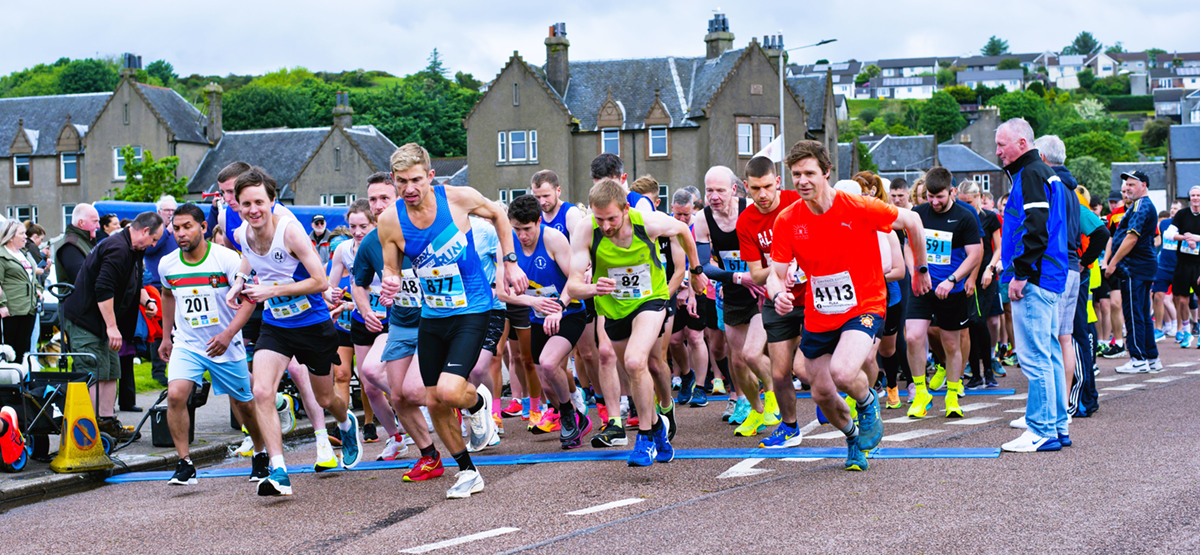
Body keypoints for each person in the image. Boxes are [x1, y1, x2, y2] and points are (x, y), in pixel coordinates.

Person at [768, 140, 927, 471]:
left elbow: (913, 222)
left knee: (842, 372)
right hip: (821, 311)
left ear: (826, 172)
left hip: (865, 304)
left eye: (809, 173)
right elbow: (775, 274)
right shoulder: (787, 220)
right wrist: (776, 294)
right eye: (796, 174)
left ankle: (868, 403)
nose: (802, 181)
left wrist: (920, 271)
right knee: (821, 392)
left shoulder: (860, 206)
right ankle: (853, 437)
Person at [378, 143, 525, 499]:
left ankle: (477, 404)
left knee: (448, 391)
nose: (409, 189)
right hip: (432, 315)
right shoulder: (389, 221)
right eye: (401, 182)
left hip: (473, 309)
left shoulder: (458, 198)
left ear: (430, 176)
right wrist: (390, 279)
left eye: (416, 180)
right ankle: (468, 471)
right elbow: (391, 266)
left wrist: (509, 261)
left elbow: (499, 215)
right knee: (434, 401)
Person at [225, 167, 360, 497]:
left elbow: (320, 282)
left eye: (259, 202)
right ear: (238, 207)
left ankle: (345, 423)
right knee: (261, 391)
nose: (253, 210)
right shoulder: (242, 233)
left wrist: (273, 291)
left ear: (272, 201)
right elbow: (248, 259)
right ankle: (279, 470)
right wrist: (239, 283)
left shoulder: (291, 232)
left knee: (326, 398)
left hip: (312, 325)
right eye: (246, 204)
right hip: (277, 326)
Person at [566, 178, 707, 466]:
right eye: (600, 218)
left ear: (626, 209)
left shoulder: (647, 222)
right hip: (614, 306)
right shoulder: (586, 230)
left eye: (612, 218)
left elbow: (682, 230)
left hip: (651, 299)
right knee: (634, 371)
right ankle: (657, 429)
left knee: (634, 361)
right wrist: (593, 288)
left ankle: (644, 438)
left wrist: (696, 270)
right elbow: (573, 285)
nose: (605, 225)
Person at [158, 204, 266, 487]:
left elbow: (249, 301)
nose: (180, 233)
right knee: (176, 395)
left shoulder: (227, 259)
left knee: (245, 405)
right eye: (176, 228)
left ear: (203, 227)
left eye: (187, 227)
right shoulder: (168, 264)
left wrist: (228, 335)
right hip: (188, 343)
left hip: (225, 344)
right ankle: (185, 463)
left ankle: (260, 451)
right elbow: (167, 296)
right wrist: (165, 335)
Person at [350, 172, 439, 474]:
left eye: (384, 198)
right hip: (401, 322)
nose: (377, 205)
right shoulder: (370, 243)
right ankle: (428, 453)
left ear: (399, 197)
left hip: (437, 318)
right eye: (372, 199)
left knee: (412, 391)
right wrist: (365, 310)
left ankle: (468, 401)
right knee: (389, 385)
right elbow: (358, 283)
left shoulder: (425, 228)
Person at [995, 118, 1069, 453]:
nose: (997, 152)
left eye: (1002, 145)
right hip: (1051, 275)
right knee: (1049, 352)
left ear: (1022, 144)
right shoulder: (1044, 172)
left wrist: (1021, 273)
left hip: (1036, 278)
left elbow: (1036, 227)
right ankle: (1056, 424)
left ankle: (1041, 429)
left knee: (1035, 355)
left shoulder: (1031, 174)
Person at [61, 212, 163, 441]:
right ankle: (90, 428)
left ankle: (107, 423)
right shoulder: (117, 249)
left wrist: (147, 301)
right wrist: (112, 327)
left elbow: (134, 282)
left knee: (111, 370)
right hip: (86, 320)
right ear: (145, 231)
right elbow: (104, 288)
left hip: (103, 321)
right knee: (94, 370)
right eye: (154, 239)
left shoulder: (135, 249)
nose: (153, 245)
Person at [694, 166, 779, 437]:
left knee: (753, 353)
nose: (714, 196)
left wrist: (765, 278)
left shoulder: (752, 209)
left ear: (734, 189)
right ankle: (755, 410)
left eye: (720, 190)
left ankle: (774, 399)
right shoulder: (703, 219)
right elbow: (705, 266)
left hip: (761, 291)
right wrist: (739, 277)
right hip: (734, 289)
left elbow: (774, 247)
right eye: (709, 190)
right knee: (738, 361)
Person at [507, 194, 593, 449]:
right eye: (517, 229)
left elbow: (575, 279)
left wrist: (560, 307)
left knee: (548, 362)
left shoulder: (554, 239)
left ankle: (568, 416)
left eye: (527, 229)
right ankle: (575, 416)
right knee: (546, 378)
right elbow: (501, 292)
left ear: (538, 222)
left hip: (569, 312)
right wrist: (531, 302)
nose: (522, 235)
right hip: (538, 314)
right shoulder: (509, 245)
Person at [737, 156, 806, 447]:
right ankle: (789, 427)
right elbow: (755, 273)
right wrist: (782, 266)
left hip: (814, 295)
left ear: (778, 182)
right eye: (755, 189)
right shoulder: (746, 222)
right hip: (777, 297)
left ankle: (859, 401)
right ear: (746, 187)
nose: (762, 195)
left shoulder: (798, 203)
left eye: (767, 186)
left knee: (805, 369)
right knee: (778, 372)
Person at [905, 167, 982, 418]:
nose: (934, 202)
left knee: (951, 343)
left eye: (939, 197)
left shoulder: (966, 216)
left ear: (952, 192)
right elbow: (908, 246)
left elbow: (975, 254)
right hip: (923, 286)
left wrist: (952, 279)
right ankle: (921, 392)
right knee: (914, 337)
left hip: (951, 290)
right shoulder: (917, 214)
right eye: (930, 196)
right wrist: (916, 272)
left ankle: (951, 395)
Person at [1108, 170, 1160, 373]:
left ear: (1144, 185)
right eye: (1126, 185)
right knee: (1143, 313)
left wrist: (1113, 263)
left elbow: (1132, 237)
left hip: (1133, 267)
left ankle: (1138, 358)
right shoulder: (1145, 205)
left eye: (1131, 184)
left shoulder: (1140, 206)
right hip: (1142, 265)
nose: (1127, 188)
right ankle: (1151, 356)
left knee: (1133, 313)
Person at [665, 187, 710, 410]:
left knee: (695, 337)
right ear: (671, 209)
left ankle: (700, 388)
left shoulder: (699, 226)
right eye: (678, 215)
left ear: (693, 209)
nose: (682, 219)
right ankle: (686, 375)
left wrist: (691, 291)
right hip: (673, 286)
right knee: (673, 340)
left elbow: (699, 264)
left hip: (696, 285)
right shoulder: (666, 226)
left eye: (686, 215)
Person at [957, 181, 1002, 389]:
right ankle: (975, 373)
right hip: (963, 274)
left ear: (979, 198)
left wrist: (990, 268)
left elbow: (998, 247)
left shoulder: (989, 217)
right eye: (962, 201)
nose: (966, 205)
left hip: (985, 274)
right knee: (969, 323)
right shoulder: (960, 217)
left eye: (969, 201)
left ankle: (989, 371)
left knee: (979, 320)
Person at [143, 195, 180, 386]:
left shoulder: (179, 230)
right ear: (159, 212)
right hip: (157, 285)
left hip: (178, 284)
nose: (171, 214)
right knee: (159, 331)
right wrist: (167, 232)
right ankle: (158, 371)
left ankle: (178, 369)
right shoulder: (154, 230)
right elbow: (149, 250)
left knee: (179, 328)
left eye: (173, 210)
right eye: (167, 211)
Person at [0, 220, 43, 363]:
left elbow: (31, 276)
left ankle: (21, 382)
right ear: (11, 236)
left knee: (23, 350)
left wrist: (38, 289)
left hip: (28, 309)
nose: (26, 237)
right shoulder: (2, 256)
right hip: (11, 310)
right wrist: (2, 304)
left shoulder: (24, 254)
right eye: (22, 234)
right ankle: (8, 383)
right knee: (9, 351)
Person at [1165, 186, 1200, 349]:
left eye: (1198, 195)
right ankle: (1187, 332)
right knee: (1182, 300)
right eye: (1192, 195)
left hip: (1199, 264)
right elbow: (1168, 234)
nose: (1195, 198)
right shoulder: (1182, 214)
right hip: (1183, 263)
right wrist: (1185, 238)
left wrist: (1197, 239)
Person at [55, 203, 99, 286]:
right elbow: (83, 279)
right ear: (81, 223)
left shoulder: (83, 241)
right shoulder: (70, 246)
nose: (98, 226)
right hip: (77, 298)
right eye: (95, 222)